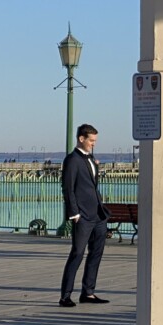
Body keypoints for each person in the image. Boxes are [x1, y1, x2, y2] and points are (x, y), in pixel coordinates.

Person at [59, 123, 111, 307]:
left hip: (98, 214)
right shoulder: (72, 160)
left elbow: (90, 185)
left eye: (95, 141)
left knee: (96, 253)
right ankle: (65, 295)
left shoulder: (91, 158)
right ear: (81, 139)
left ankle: (88, 292)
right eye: (91, 140)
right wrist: (74, 213)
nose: (94, 144)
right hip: (82, 215)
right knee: (78, 253)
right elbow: (68, 188)